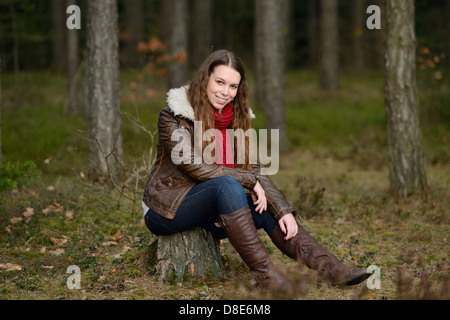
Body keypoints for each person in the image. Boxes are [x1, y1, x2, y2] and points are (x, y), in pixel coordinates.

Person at [142, 49, 370, 293]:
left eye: (233, 86)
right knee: (230, 186)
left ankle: (332, 269)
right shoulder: (174, 116)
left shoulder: (236, 120)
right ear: (205, 78)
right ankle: (266, 276)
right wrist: (249, 181)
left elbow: (256, 172)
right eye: (219, 82)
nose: (225, 92)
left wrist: (283, 211)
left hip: (210, 210)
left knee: (263, 208)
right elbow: (193, 166)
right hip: (168, 209)